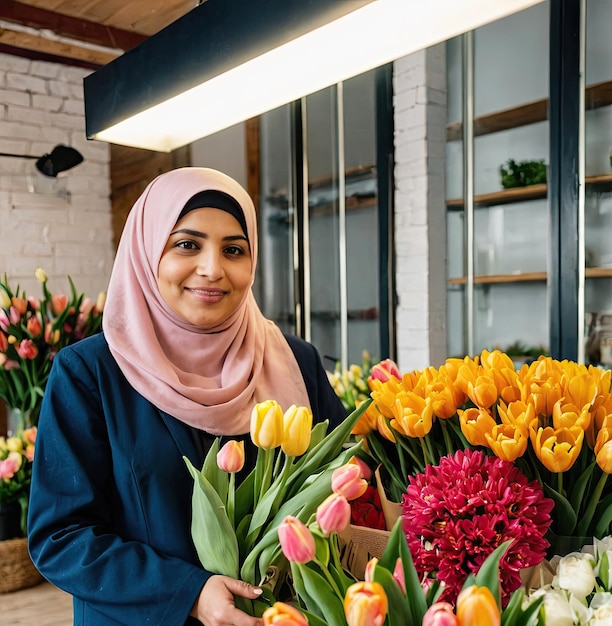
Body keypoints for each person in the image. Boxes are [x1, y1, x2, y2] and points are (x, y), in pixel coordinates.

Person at [28, 167, 347, 626]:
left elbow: (344, 484)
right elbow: (60, 536)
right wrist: (191, 593)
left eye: (233, 250)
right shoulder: (90, 373)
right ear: (147, 250)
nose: (213, 269)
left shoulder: (293, 360)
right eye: (186, 244)